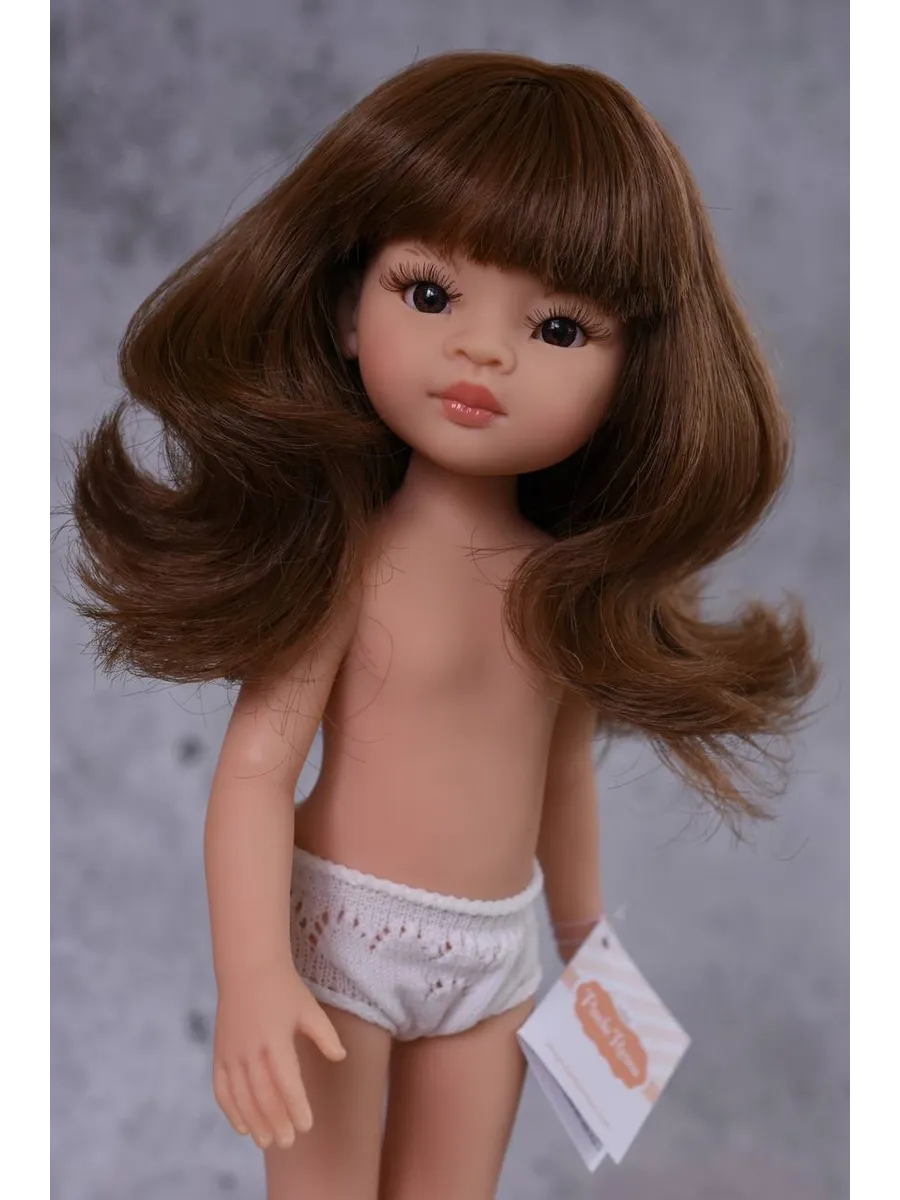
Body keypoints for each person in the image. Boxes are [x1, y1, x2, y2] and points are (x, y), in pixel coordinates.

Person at [67, 50, 818, 1200]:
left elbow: (559, 772)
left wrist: (584, 947)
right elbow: (257, 769)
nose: (484, 351)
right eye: (429, 295)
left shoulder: (567, 583)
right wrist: (253, 974)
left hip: (498, 958)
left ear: (635, 373)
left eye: (559, 328)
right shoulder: (347, 559)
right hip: (340, 939)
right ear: (346, 308)